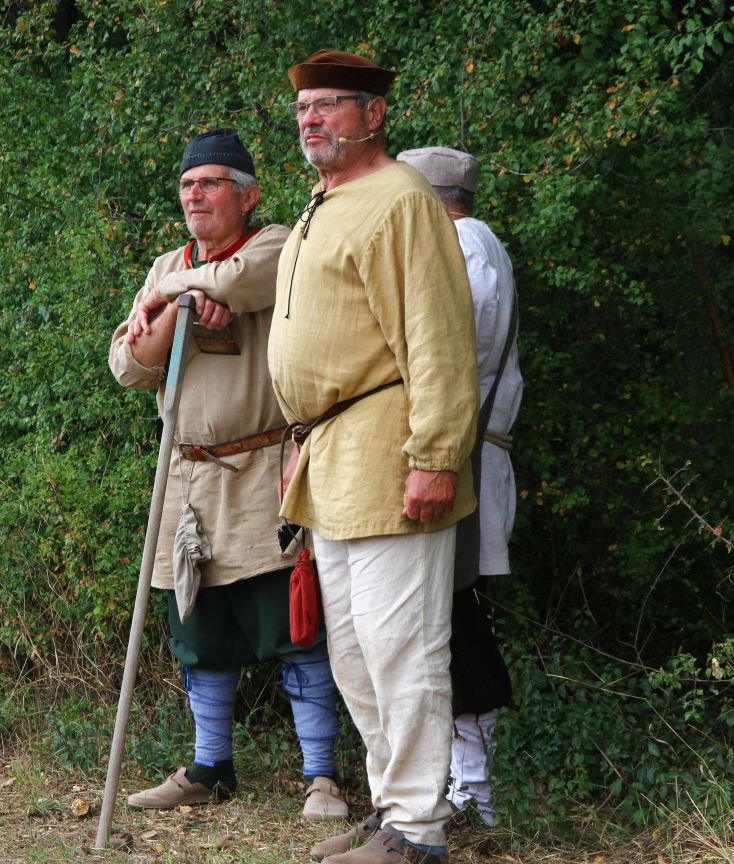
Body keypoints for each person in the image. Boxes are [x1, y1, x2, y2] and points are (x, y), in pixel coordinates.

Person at [266, 51, 480, 864]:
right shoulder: (324, 204)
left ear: (374, 114)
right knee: (355, 653)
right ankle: (393, 807)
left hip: (391, 451)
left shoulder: (401, 200)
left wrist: (437, 457)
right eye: (303, 108)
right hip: (332, 454)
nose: (311, 119)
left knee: (402, 648)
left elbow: (438, 340)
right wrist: (299, 445)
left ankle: (419, 830)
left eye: (328, 105)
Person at [108, 128, 348, 823]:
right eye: (187, 185)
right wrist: (178, 311)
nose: (195, 195)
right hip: (186, 475)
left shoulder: (276, 244)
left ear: (247, 195)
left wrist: (173, 293)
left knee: (293, 624)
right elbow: (126, 366)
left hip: (263, 469)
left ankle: (321, 776)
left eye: (210, 183)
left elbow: (241, 282)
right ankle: (209, 767)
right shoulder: (168, 263)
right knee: (199, 627)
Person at [396, 146, 523, 828]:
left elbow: (445, 360)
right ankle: (452, 789)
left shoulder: (464, 247)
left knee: (455, 623)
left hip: (458, 457)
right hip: (459, 453)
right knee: (442, 623)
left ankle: (472, 796)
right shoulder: (470, 243)